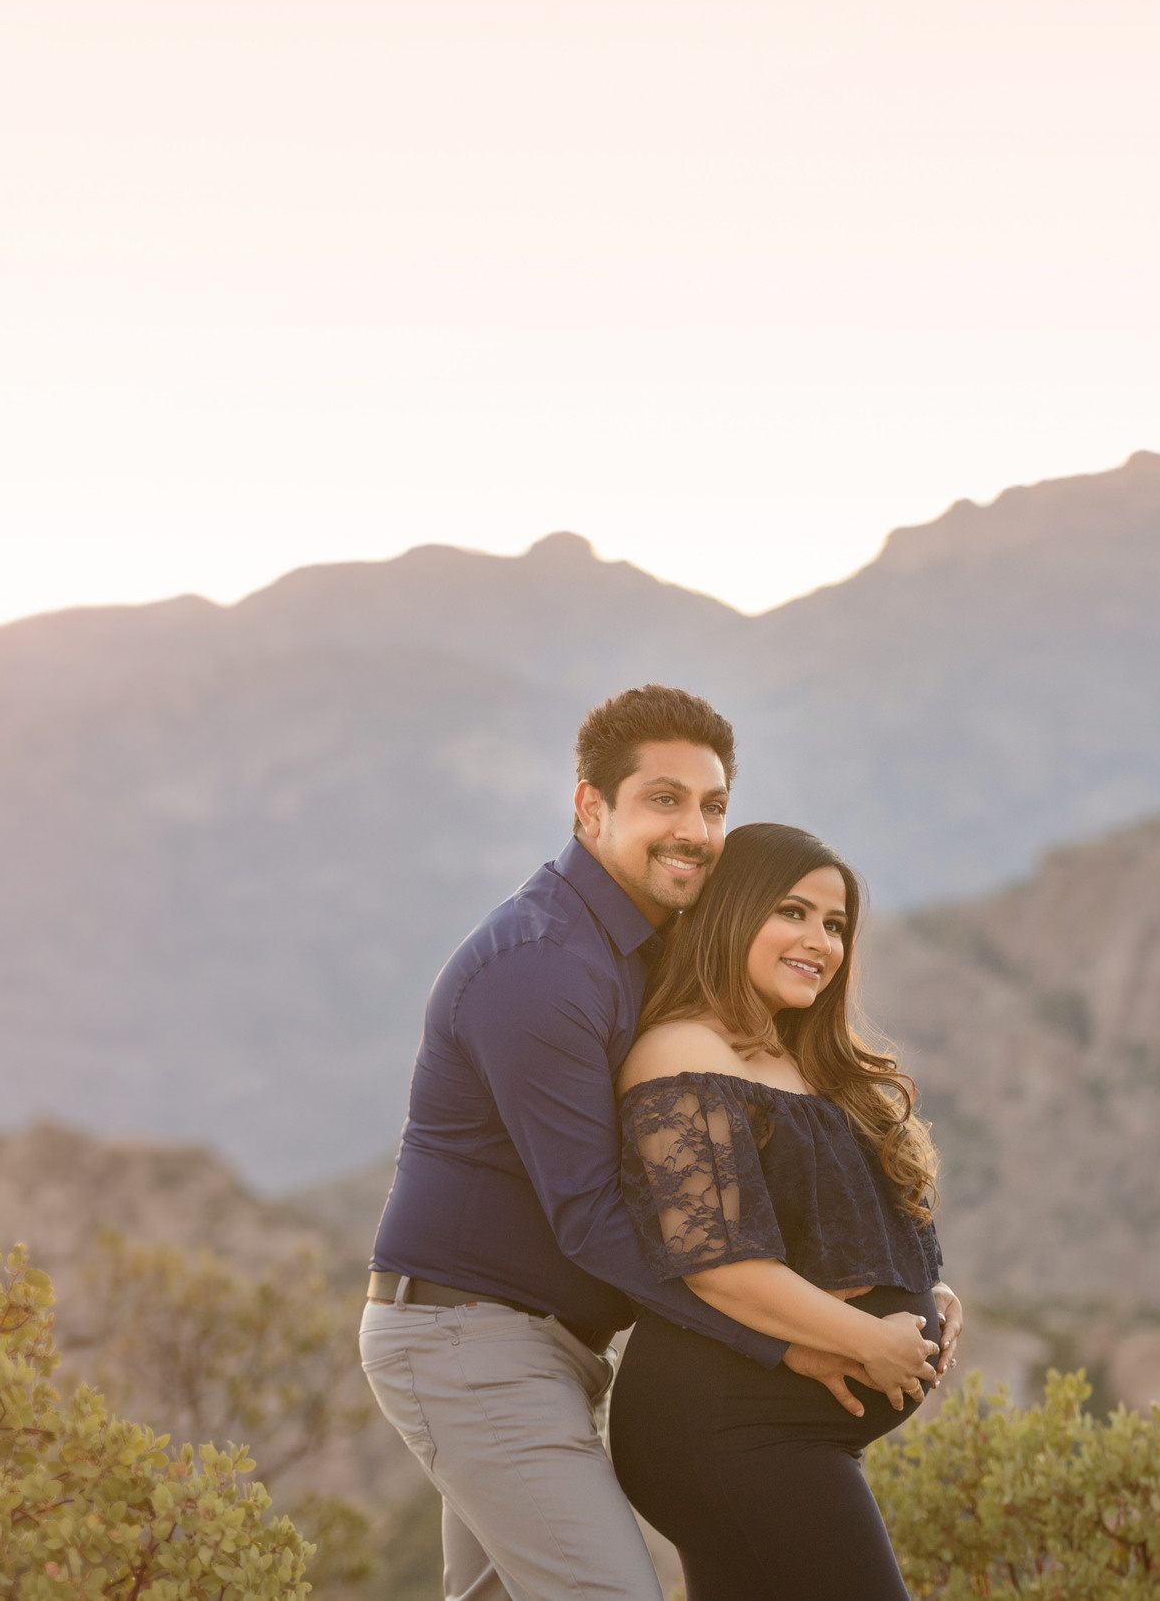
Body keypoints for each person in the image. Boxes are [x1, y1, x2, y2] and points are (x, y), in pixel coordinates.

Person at [360, 686, 961, 1601]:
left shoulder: (642, 950)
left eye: (713, 804)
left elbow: (730, 1179)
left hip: (548, 1343)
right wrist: (795, 1344)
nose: (695, 827)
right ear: (590, 806)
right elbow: (595, 1218)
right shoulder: (542, 965)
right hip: (469, 1339)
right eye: (663, 798)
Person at [610, 821, 944, 1601]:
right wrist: (874, 1340)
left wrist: (927, 1289)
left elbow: (824, 1223)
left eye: (835, 925)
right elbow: (720, 1263)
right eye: (793, 912)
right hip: (725, 1429)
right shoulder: (681, 1052)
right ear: (733, 912)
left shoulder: (795, 1059)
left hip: (781, 1433)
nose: (819, 941)